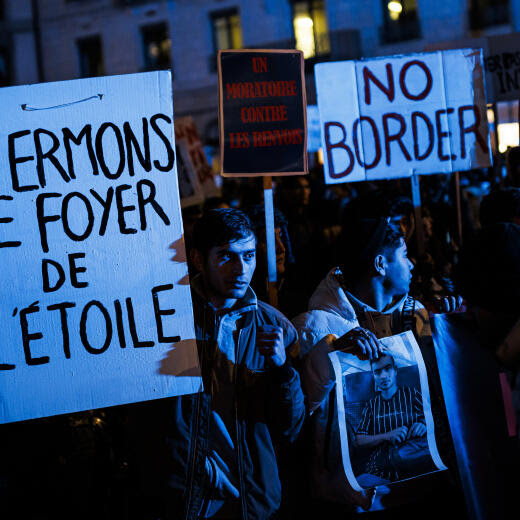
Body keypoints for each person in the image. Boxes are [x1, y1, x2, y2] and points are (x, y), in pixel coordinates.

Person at [137, 208, 304, 520]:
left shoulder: (274, 326)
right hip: (188, 499)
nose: (241, 269)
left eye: (249, 256)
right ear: (199, 260)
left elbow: (291, 430)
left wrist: (283, 370)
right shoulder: (168, 321)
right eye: (226, 256)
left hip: (250, 502)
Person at [293, 217, 460, 516]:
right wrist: (331, 351)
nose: (411, 265)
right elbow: (296, 411)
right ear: (381, 264)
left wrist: (452, 325)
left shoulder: (418, 317)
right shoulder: (314, 327)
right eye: (404, 255)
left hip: (426, 486)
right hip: (353, 500)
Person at [355, 353, 432, 484]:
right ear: (374, 376)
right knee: (358, 486)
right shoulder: (371, 405)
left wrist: (424, 423)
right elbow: (359, 440)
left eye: (388, 368)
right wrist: (387, 435)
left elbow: (432, 416)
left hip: (414, 461)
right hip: (379, 467)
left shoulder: (411, 394)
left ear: (395, 370)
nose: (383, 376)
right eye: (378, 372)